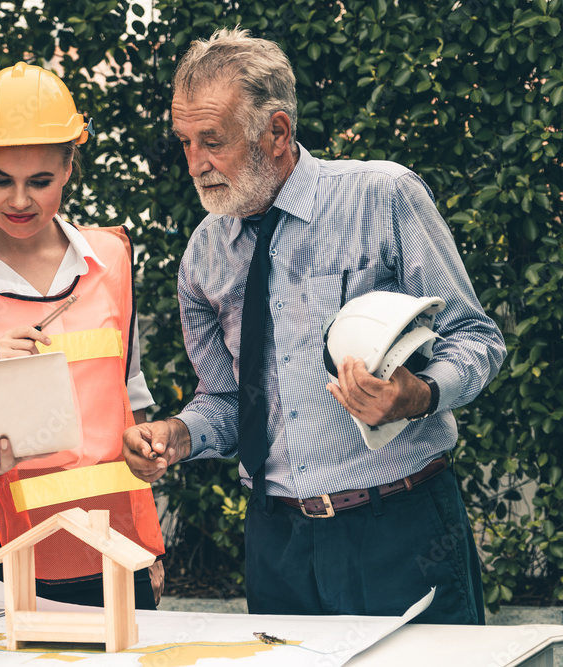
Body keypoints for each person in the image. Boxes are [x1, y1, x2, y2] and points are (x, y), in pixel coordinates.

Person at [122, 27, 505, 624]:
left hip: (400, 529)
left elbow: (476, 339)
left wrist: (419, 395)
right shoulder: (203, 255)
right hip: (277, 545)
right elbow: (227, 401)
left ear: (276, 132)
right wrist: (177, 435)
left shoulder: (384, 196)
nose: (196, 164)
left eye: (213, 142)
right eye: (186, 142)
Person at [0, 62, 165, 609]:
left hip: (112, 544)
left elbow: (126, 402)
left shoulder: (110, 257)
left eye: (40, 181)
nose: (19, 200)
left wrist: (151, 547)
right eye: (0, 180)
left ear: (68, 168)